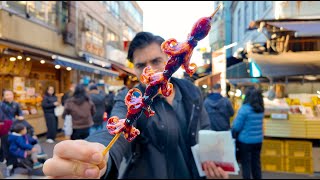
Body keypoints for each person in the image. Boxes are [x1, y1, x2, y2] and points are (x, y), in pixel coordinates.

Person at [43, 32, 228, 179]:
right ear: (134, 69)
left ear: (168, 58)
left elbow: (204, 129)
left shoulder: (191, 92)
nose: (150, 70)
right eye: (141, 65)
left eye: (156, 61)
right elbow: (116, 131)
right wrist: (97, 153)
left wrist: (213, 162)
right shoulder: (131, 98)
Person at [231, 86, 264, 179]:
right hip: (258, 141)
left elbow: (236, 126)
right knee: (256, 164)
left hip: (245, 142)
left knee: (246, 165)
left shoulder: (244, 109)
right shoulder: (260, 109)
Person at [0, 90, 25, 167]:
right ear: (3, 96)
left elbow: (20, 113)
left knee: (11, 143)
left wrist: (21, 116)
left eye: (10, 94)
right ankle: (8, 161)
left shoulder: (16, 104)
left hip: (13, 126)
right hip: (3, 126)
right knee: (5, 143)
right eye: (7, 95)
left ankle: (10, 161)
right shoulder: (1, 105)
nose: (9, 96)